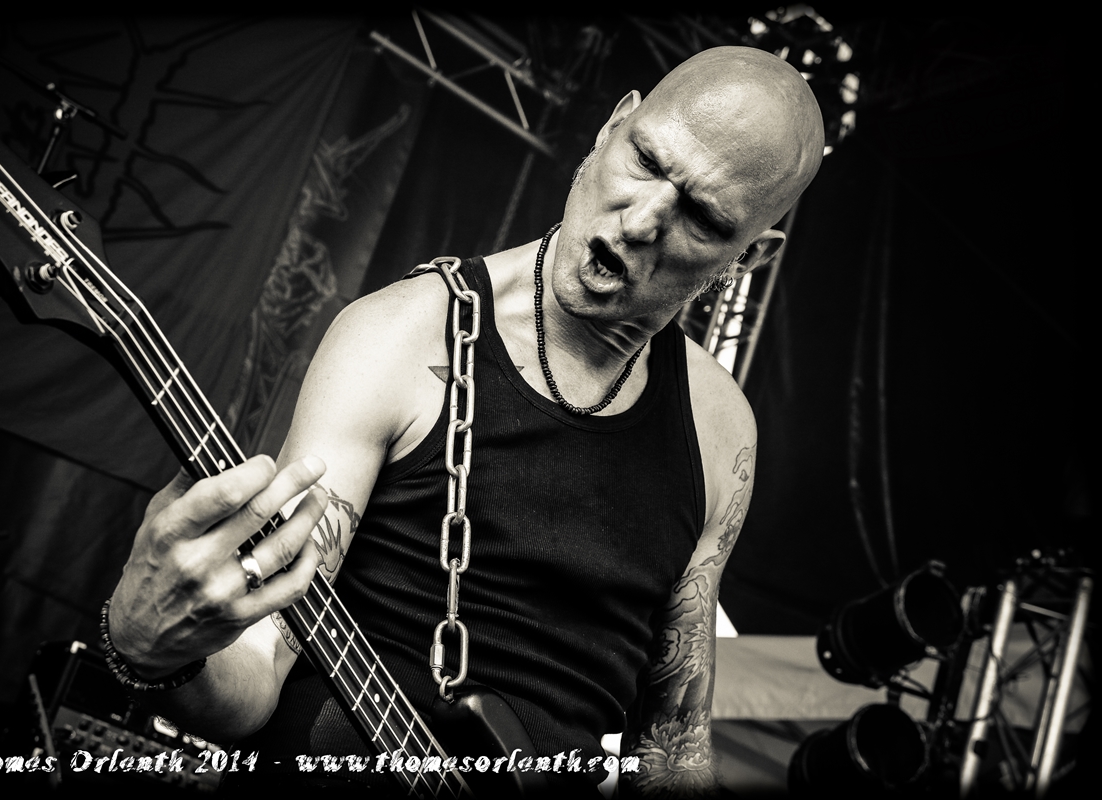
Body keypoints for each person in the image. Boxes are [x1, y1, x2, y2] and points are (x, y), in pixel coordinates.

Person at [105, 45, 825, 796]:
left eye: (702, 217)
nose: (642, 221)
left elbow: (673, 746)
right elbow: (260, 665)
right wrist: (156, 651)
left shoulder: (720, 429)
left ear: (749, 256)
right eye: (644, 160)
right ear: (614, 124)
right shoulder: (400, 337)